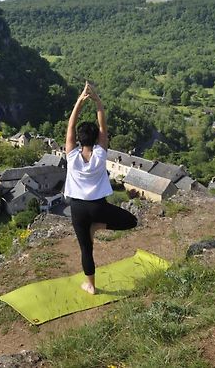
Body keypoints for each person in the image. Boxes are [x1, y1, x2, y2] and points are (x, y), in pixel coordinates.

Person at [64, 81, 137, 295]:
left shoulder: (72, 156)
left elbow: (70, 126)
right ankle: (97, 226)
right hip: (98, 207)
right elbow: (103, 126)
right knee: (132, 221)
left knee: (86, 249)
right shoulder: (100, 154)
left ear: (78, 139)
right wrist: (97, 101)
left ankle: (91, 286)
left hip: (77, 209)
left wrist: (79, 101)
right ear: (96, 139)